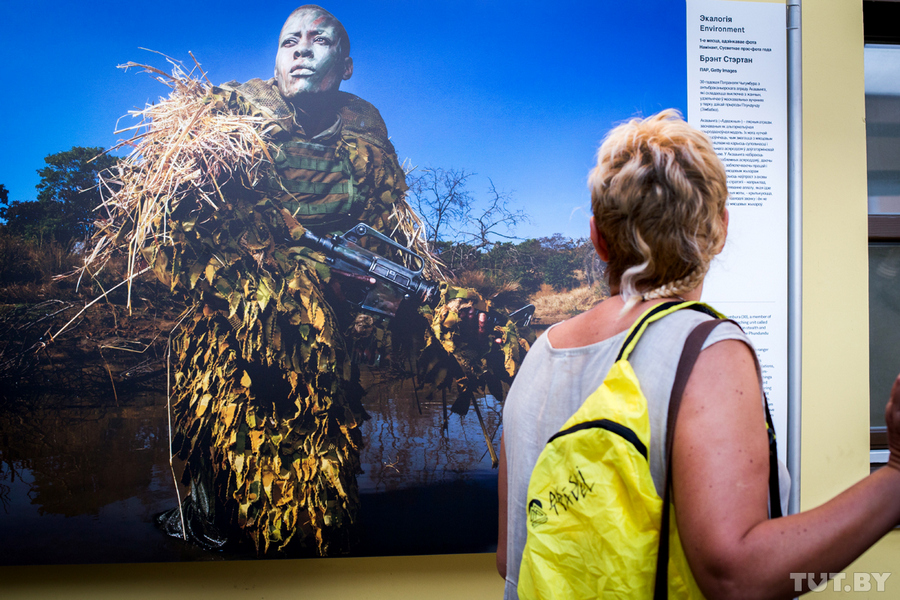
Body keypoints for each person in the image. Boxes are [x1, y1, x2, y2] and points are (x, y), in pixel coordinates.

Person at [142, 5, 523, 556]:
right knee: (234, 493)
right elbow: (174, 238)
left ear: (345, 65)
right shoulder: (227, 122)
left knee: (320, 489)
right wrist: (290, 280)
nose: (301, 49)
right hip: (238, 346)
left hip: (329, 345)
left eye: (319, 40)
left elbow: (384, 244)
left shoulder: (365, 138)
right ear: (275, 60)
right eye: (289, 40)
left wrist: (441, 309)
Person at [497, 109, 900, 598]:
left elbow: (510, 558)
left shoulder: (540, 353)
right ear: (721, 229)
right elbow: (737, 578)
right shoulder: (707, 350)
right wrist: (895, 477)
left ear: (598, 239)